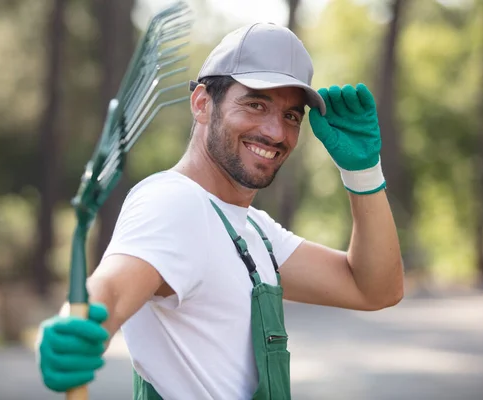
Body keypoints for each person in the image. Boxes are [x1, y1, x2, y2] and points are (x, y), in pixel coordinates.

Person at [36, 22, 404, 399]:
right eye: (256, 104)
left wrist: (363, 173)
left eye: (291, 116)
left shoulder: (254, 231)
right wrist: (74, 326)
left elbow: (374, 289)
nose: (276, 132)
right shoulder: (174, 202)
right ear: (201, 103)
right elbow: (112, 287)